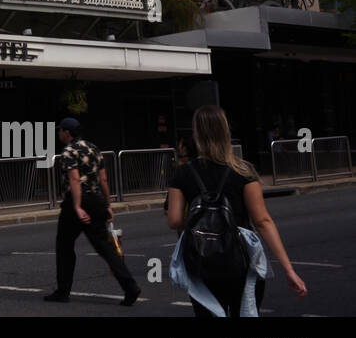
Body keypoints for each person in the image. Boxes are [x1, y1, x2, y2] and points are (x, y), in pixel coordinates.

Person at [167, 105, 307, 317]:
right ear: (225, 131)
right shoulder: (243, 171)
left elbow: (175, 220)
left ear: (197, 134)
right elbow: (263, 221)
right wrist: (289, 270)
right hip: (239, 260)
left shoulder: (183, 173)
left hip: (201, 261)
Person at [45, 117, 141, 306]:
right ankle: (130, 287)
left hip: (77, 201)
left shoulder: (69, 152)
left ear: (67, 132)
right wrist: (108, 204)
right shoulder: (93, 148)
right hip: (97, 201)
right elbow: (103, 179)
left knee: (64, 246)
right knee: (106, 248)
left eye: (60, 131)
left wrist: (77, 206)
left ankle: (63, 291)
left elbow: (74, 179)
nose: (58, 134)